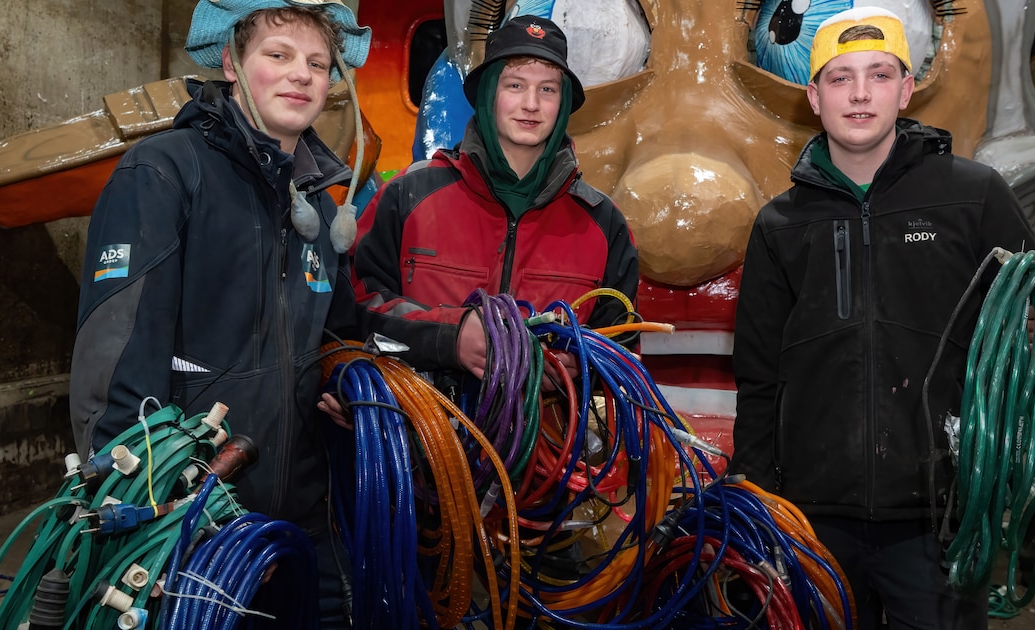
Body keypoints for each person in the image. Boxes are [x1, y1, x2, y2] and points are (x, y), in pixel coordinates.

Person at [67, 2, 428, 626]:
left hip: (304, 520)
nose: (302, 75)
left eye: (318, 63)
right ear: (232, 63)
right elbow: (114, 364)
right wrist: (138, 512)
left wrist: (357, 385)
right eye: (278, 55)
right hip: (192, 521)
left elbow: (339, 334)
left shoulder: (318, 205)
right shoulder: (165, 172)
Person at [728, 7, 1035, 629]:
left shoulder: (974, 196)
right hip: (813, 516)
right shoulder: (780, 223)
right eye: (841, 78)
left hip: (939, 519)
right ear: (815, 97)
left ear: (906, 89)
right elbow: (757, 375)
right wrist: (758, 497)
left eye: (880, 75)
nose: (860, 93)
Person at [337, 14, 638, 392]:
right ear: (488, 94)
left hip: (549, 429)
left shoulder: (603, 222)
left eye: (547, 89)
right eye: (515, 85)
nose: (531, 104)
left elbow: (625, 353)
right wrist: (451, 337)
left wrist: (581, 368)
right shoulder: (407, 194)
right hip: (423, 424)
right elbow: (353, 307)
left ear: (562, 105)